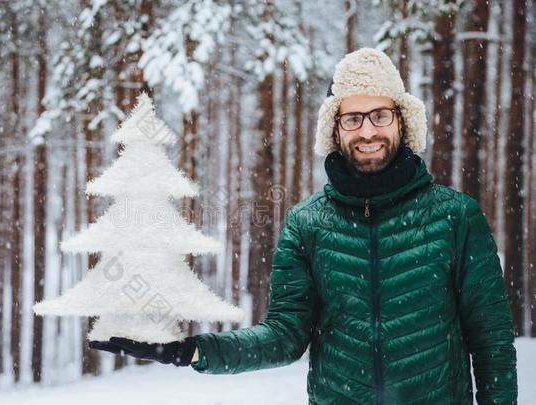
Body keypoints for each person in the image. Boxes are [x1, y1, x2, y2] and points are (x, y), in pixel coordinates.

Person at [89, 48, 518, 404]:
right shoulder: (307, 223)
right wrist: (190, 350)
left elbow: (492, 343)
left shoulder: (455, 216)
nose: (367, 131)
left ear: (402, 121)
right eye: (352, 119)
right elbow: (284, 336)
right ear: (335, 130)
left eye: (380, 115)